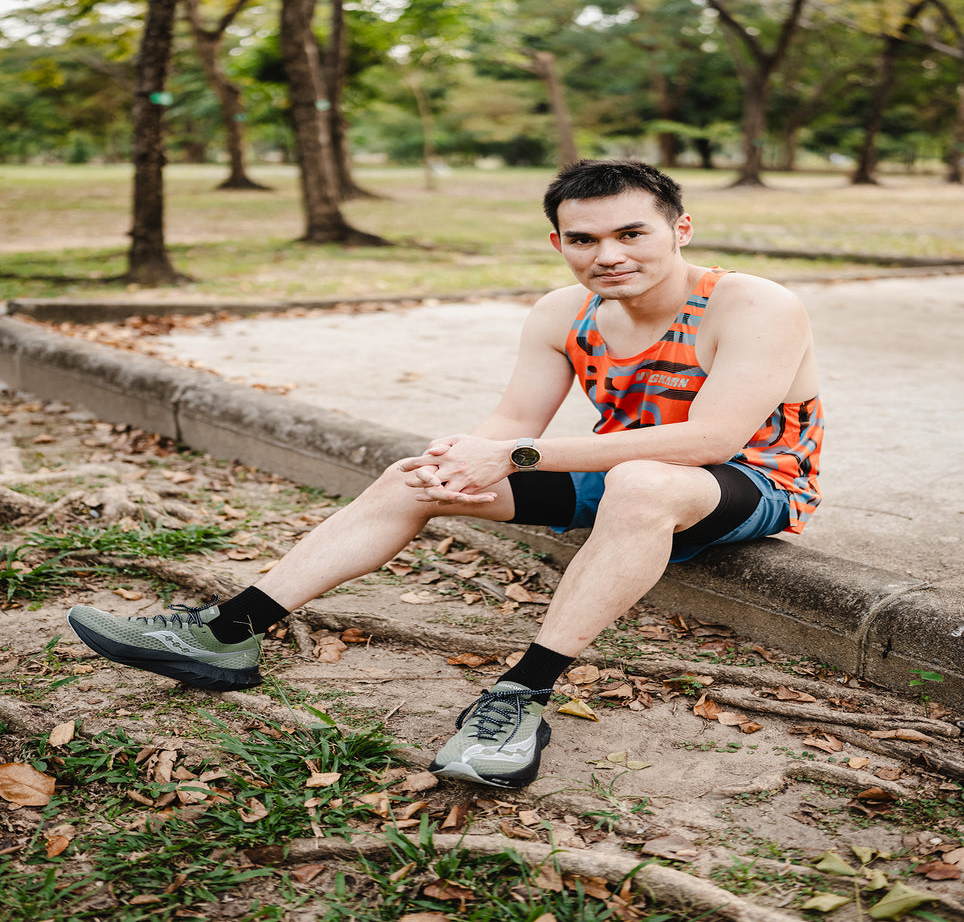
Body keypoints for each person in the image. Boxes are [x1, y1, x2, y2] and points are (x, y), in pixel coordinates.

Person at [67, 159, 823, 790]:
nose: (609, 254)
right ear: (558, 242)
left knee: (644, 482)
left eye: (632, 233)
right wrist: (460, 455)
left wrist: (518, 455)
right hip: (624, 469)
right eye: (584, 239)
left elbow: (712, 437)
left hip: (746, 481)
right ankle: (230, 633)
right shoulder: (566, 311)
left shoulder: (752, 303)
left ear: (679, 230)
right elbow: (512, 421)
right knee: (408, 477)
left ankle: (521, 695)